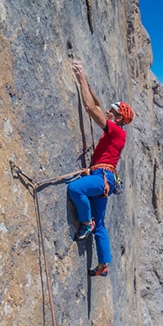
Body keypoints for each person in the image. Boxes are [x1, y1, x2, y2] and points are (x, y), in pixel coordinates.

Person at [66, 61, 134, 277]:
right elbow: (97, 103)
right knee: (101, 225)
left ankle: (86, 223)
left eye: (111, 111)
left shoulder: (116, 132)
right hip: (104, 178)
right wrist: (86, 81)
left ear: (119, 118)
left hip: (102, 177)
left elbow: (90, 108)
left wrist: (81, 78)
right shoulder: (116, 132)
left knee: (75, 189)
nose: (107, 111)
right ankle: (104, 265)